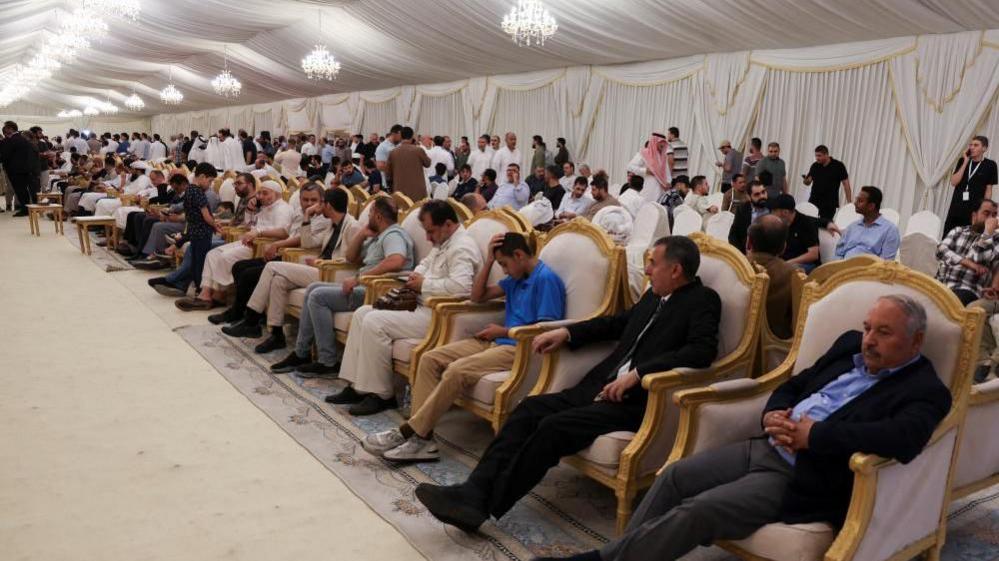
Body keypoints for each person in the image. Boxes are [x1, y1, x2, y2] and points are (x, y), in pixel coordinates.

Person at [546, 295, 950, 561]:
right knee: (674, 476)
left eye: (884, 333)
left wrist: (817, 437)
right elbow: (793, 383)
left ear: (915, 342)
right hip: (765, 444)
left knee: (700, 511)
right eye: (868, 328)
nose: (868, 340)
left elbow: (903, 440)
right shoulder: (848, 346)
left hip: (803, 475)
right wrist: (773, 411)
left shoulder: (925, 390)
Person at [415, 236, 721, 531]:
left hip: (638, 402)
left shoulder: (703, 300)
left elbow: (700, 351)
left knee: (553, 426)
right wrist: (568, 333)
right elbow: (614, 324)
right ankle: (473, 489)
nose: (648, 269)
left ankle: (483, 506)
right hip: (599, 385)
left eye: (653, 263)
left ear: (676, 269)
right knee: (529, 409)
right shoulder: (653, 296)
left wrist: (638, 374)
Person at [363, 232, 566, 461]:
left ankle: (409, 432)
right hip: (495, 341)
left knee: (457, 370)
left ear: (519, 255)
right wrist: (489, 261)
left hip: (520, 350)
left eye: (504, 264)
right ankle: (424, 440)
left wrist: (505, 332)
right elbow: (477, 296)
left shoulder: (545, 279)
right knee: (430, 359)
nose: (505, 270)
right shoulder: (517, 278)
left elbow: (546, 331)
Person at [328, 200, 483, 416]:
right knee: (362, 313)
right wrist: (416, 275)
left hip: (439, 315)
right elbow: (425, 264)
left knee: (374, 322)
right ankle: (357, 386)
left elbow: (462, 288)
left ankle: (382, 395)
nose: (428, 238)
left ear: (448, 224)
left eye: (431, 232)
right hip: (420, 306)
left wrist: (424, 284)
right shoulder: (444, 241)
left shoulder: (462, 247)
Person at [267, 196, 414, 375]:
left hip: (376, 292)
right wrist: (361, 235)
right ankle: (302, 353)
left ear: (378, 216)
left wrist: (359, 278)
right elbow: (352, 258)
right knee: (313, 288)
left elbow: (396, 261)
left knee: (318, 297)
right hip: (365, 286)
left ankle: (327, 362)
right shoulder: (379, 237)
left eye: (371, 213)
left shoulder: (394, 235)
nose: (367, 217)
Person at [219, 186, 356, 352]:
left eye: (319, 203)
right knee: (279, 280)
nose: (315, 206)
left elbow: (353, 260)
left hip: (332, 274)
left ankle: (251, 318)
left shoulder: (352, 226)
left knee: (271, 267)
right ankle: (276, 334)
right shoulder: (331, 224)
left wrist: (321, 263)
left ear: (327, 205)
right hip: (319, 268)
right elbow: (308, 243)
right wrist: (307, 217)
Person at [176, 180, 294, 310]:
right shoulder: (265, 207)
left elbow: (284, 232)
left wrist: (259, 232)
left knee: (225, 257)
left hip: (263, 246)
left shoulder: (283, 208)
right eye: (259, 193)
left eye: (265, 193)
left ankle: (218, 295)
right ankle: (205, 295)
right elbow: (249, 226)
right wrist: (249, 210)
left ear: (277, 194)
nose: (260, 196)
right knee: (212, 254)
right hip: (250, 242)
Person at [935, 198, 999, 306]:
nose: (990, 219)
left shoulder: (995, 241)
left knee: (947, 304)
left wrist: (987, 234)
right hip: (939, 284)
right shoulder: (958, 231)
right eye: (986, 214)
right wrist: (967, 263)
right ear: (974, 216)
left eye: (994, 215)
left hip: (966, 289)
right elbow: (940, 251)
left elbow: (977, 257)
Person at [747, 216, 796, 339]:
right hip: (775, 349)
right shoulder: (793, 275)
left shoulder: (733, 265)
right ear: (783, 247)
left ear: (748, 242)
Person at [177, 165, 222, 292]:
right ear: (202, 177)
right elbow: (206, 215)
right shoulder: (199, 192)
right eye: (210, 181)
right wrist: (215, 225)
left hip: (193, 230)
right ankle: (200, 288)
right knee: (201, 261)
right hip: (203, 231)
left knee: (196, 259)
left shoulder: (189, 190)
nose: (210, 184)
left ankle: (194, 285)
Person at [944, 136, 998, 235]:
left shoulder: (991, 165)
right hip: (956, 208)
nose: (972, 147)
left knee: (969, 239)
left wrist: (986, 210)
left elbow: (988, 189)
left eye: (976, 145)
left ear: (984, 148)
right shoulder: (962, 161)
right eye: (971, 145)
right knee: (949, 235)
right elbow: (953, 182)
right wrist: (965, 162)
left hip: (974, 211)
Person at [834, 186, 900, 260]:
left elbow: (886, 264)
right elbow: (838, 254)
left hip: (868, 270)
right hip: (842, 269)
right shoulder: (852, 227)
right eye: (856, 199)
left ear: (871, 206)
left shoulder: (890, 230)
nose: (855, 203)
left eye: (860, 201)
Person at [770, 194, 821, 272]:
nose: (772, 214)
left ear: (785, 212)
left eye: (774, 211)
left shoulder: (806, 224)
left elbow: (813, 255)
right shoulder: (780, 224)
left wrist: (788, 263)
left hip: (806, 265)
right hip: (784, 261)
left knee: (784, 270)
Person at [0, 120, 41, 214]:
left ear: (10, 129)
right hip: (25, 168)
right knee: (23, 190)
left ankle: (25, 209)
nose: (5, 130)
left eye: (6, 128)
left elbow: (5, 155)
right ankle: (26, 208)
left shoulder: (11, 140)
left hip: (15, 169)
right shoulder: (22, 139)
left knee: (20, 190)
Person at [803, 145, 852, 223]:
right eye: (816, 155)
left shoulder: (838, 166)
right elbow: (808, 182)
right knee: (809, 223)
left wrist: (849, 203)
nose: (817, 158)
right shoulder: (815, 165)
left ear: (826, 155)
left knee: (826, 225)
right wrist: (805, 180)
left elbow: (846, 184)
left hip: (829, 203)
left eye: (819, 156)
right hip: (814, 200)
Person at [386, 126, 431, 202]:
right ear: (412, 136)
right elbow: (428, 163)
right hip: (417, 191)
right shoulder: (418, 150)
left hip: (399, 190)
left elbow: (388, 173)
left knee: (402, 211)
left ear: (401, 136)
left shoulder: (393, 152)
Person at [628, 133, 672, 204]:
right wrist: (645, 171)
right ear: (655, 141)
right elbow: (630, 166)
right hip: (648, 188)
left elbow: (667, 173)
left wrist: (668, 182)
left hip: (661, 190)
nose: (663, 144)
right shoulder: (644, 153)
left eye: (664, 142)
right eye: (661, 142)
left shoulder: (663, 156)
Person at [729, 181, 770, 253]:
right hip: (746, 252)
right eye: (757, 194)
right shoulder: (743, 209)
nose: (762, 196)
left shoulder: (773, 208)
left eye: (763, 192)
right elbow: (734, 234)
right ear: (749, 196)